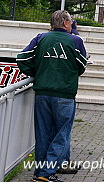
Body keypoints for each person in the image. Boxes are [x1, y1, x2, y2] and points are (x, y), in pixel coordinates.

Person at [17, 10, 88, 182]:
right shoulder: (75, 41)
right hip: (64, 94)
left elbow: (22, 59)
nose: (72, 24)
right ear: (65, 23)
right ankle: (46, 172)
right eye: (71, 21)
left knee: (43, 135)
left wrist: (38, 71)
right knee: (62, 134)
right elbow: (82, 65)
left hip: (42, 94)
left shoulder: (41, 38)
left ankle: (39, 174)